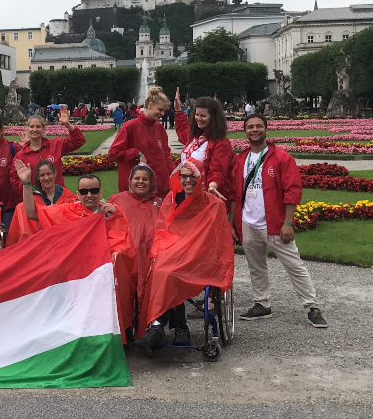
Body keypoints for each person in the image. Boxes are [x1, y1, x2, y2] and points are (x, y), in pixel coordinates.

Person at [15, 161, 137, 343]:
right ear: (77, 194)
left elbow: (123, 245)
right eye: (85, 192)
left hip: (103, 268)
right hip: (77, 269)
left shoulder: (111, 212)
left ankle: (118, 331)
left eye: (94, 191)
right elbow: (32, 213)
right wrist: (26, 183)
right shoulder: (69, 210)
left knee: (116, 267)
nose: (89, 195)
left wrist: (115, 216)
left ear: (101, 193)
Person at [230, 114, 327, 328]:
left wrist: (288, 223)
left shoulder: (282, 157)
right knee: (256, 267)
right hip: (248, 223)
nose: (254, 130)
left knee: (294, 265)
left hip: (273, 223)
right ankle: (261, 304)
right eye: (250, 127)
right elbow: (235, 195)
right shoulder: (240, 159)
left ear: (266, 129)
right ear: (244, 131)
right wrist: (233, 224)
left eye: (258, 126)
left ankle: (312, 306)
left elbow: (292, 191)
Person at [135, 159, 234, 349]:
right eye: (184, 176)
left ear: (200, 178)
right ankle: (174, 328)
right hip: (174, 251)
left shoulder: (214, 204)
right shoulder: (171, 200)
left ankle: (159, 326)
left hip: (200, 257)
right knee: (158, 270)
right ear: (178, 178)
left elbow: (219, 241)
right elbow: (163, 230)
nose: (188, 180)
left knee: (168, 273)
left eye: (192, 176)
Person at [108, 164, 163, 300]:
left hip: (153, 255)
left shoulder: (158, 203)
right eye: (137, 178)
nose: (140, 182)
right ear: (130, 181)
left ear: (151, 182)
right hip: (127, 255)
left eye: (145, 179)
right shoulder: (117, 200)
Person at [109, 87, 176, 197]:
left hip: (160, 190)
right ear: (150, 105)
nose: (162, 113)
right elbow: (113, 153)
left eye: (164, 110)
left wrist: (173, 177)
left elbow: (166, 156)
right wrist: (135, 153)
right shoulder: (130, 126)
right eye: (160, 110)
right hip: (137, 191)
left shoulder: (159, 127)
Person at [9, 107, 84, 203]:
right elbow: (15, 181)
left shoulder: (55, 144)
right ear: (27, 129)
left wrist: (67, 124)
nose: (34, 129)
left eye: (38, 127)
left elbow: (79, 140)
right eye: (31, 127)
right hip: (37, 200)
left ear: (43, 129)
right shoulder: (21, 156)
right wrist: (32, 190)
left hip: (60, 198)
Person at [173, 90, 234, 203]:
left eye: (203, 116)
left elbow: (218, 170)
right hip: (187, 191)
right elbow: (182, 132)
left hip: (204, 195)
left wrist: (212, 186)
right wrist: (178, 110)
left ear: (213, 118)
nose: (198, 118)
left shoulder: (220, 143)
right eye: (196, 114)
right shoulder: (194, 137)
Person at [6, 159, 76, 246]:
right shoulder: (31, 202)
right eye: (42, 175)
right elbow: (29, 215)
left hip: (65, 243)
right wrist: (26, 182)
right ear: (38, 178)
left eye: (49, 174)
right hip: (39, 245)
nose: (46, 178)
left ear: (55, 174)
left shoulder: (68, 196)